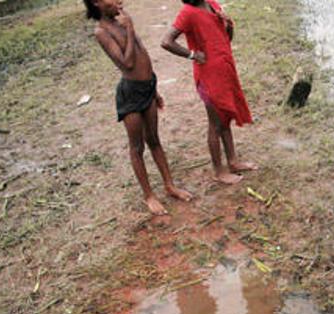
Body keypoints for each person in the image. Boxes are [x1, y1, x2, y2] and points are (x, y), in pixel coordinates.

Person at [84, 0, 193, 215]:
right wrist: (130, 28)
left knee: (154, 140)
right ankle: (149, 196)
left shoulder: (120, 23)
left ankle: (170, 185)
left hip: (147, 87)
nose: (120, 1)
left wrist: (154, 90)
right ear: (97, 3)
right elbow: (128, 63)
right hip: (131, 94)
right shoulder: (102, 32)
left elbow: (143, 58)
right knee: (137, 147)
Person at [161, 0, 257, 185]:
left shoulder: (211, 3)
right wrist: (192, 54)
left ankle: (233, 161)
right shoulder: (188, 12)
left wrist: (228, 24)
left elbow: (226, 38)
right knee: (215, 123)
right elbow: (166, 41)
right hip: (208, 75)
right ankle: (219, 171)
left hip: (225, 69)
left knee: (225, 117)